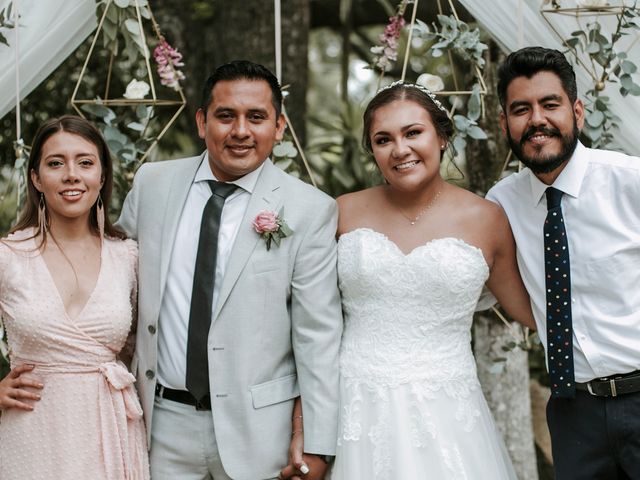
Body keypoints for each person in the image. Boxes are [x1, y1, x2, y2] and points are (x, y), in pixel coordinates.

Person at [117, 60, 343, 480]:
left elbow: (318, 336)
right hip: (159, 423)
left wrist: (316, 441)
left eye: (256, 117)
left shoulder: (310, 209)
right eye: (226, 115)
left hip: (261, 435)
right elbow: (112, 289)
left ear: (278, 127)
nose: (241, 130)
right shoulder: (152, 184)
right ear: (202, 121)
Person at [320, 81, 535, 479]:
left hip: (448, 412)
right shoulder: (340, 212)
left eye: (413, 132)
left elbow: (529, 310)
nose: (400, 149)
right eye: (383, 139)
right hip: (357, 406)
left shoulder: (486, 219)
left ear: (442, 136)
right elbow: (310, 318)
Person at [487, 46, 640, 479]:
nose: (537, 119)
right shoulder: (501, 206)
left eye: (550, 104)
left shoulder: (630, 182)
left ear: (577, 111)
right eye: (521, 109)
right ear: (505, 123)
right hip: (573, 413)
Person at [0, 115, 149, 479]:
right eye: (55, 163)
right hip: (32, 431)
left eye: (85, 162)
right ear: (36, 177)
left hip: (109, 429)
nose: (71, 175)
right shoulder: (8, 256)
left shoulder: (127, 256)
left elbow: (143, 344)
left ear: (101, 176)